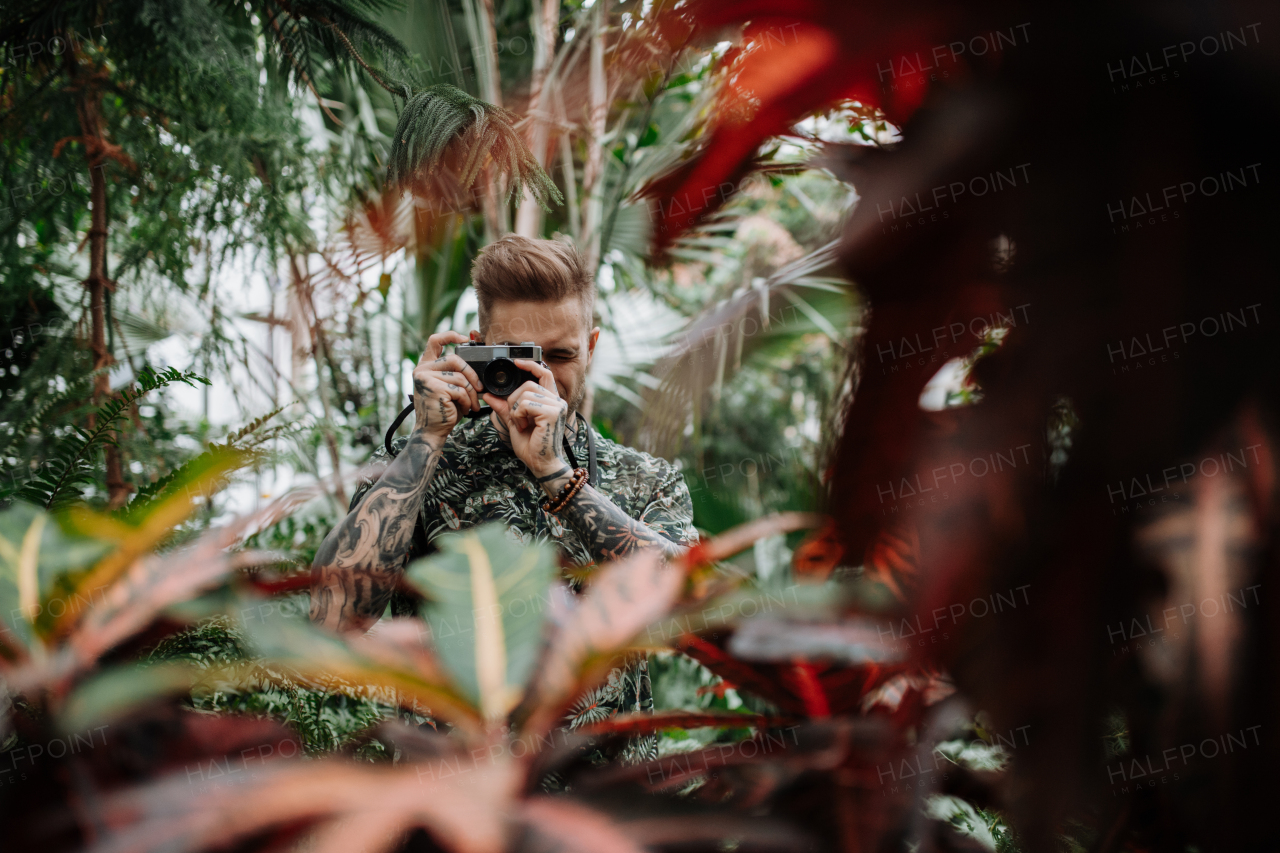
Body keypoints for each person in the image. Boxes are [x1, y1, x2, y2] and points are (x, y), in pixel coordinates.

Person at [308, 237, 696, 737]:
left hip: (599, 800)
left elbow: (691, 614)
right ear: (479, 349)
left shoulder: (646, 479)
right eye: (520, 356)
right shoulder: (417, 466)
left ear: (592, 348)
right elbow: (331, 617)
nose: (542, 377)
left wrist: (559, 476)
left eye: (560, 355)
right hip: (451, 794)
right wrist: (426, 439)